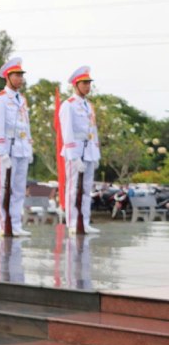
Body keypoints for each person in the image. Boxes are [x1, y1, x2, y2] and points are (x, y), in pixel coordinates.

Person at [0, 57, 33, 237]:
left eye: (21, 75)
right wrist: (2, 152)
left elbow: (26, 125)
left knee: (18, 189)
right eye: (16, 75)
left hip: (22, 148)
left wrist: (29, 149)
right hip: (7, 150)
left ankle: (15, 224)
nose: (20, 79)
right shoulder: (0, 99)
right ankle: (3, 225)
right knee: (3, 189)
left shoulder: (21, 99)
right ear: (8, 76)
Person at [58, 66, 101, 234]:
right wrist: (74, 157)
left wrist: (96, 154)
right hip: (75, 152)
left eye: (89, 83)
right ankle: (72, 222)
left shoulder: (88, 105)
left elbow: (93, 130)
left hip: (89, 150)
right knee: (74, 188)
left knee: (86, 190)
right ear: (75, 84)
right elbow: (67, 132)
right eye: (84, 83)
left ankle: (84, 221)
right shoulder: (68, 105)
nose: (87, 86)